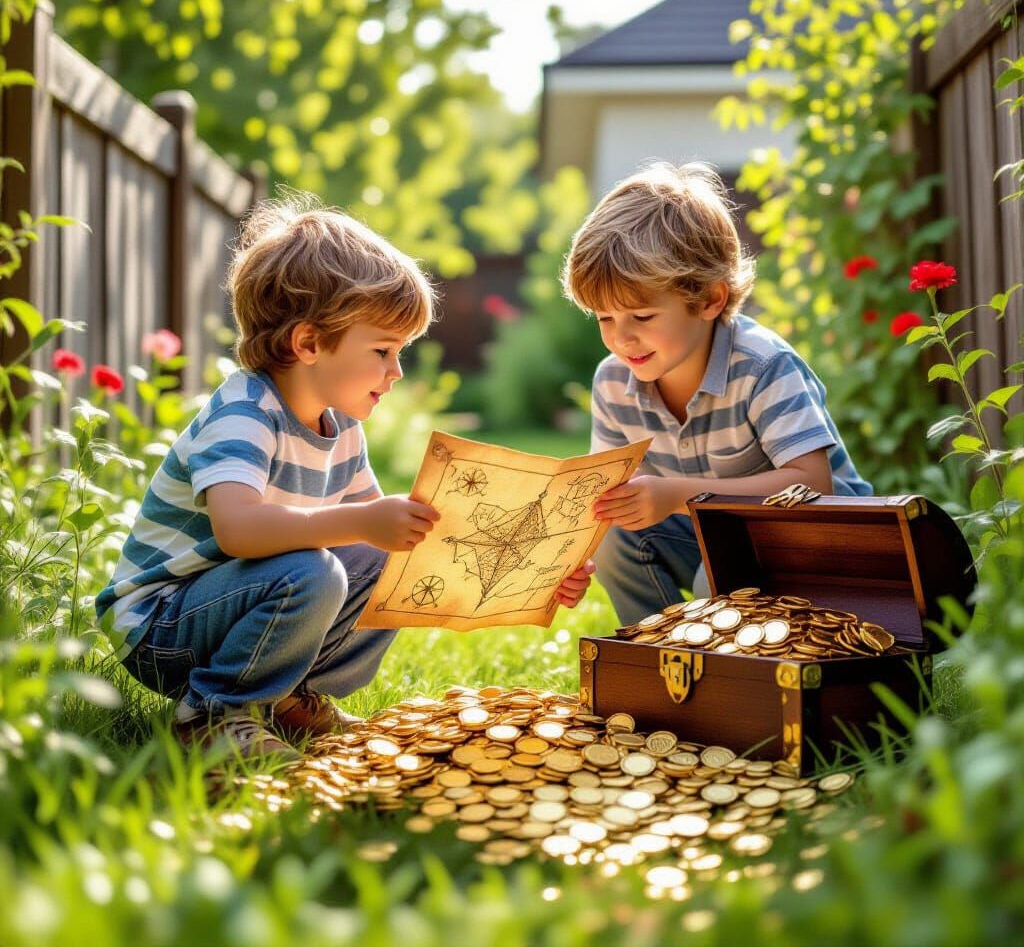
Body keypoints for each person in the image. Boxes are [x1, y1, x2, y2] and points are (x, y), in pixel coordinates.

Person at [97, 196, 594, 760]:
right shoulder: (244, 413)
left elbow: (394, 548)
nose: (397, 370)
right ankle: (211, 719)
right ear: (308, 343)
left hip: (234, 609)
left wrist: (538, 570)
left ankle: (285, 698)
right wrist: (360, 520)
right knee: (314, 570)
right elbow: (238, 530)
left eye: (401, 351)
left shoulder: (342, 426)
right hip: (162, 626)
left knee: (387, 560)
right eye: (383, 349)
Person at [561, 162, 872, 627]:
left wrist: (681, 494)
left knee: (722, 572)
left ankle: (721, 665)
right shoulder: (614, 381)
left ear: (710, 300)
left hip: (825, 549)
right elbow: (606, 498)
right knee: (616, 540)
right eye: (604, 318)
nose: (621, 338)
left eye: (642, 317)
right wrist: (566, 562)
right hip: (717, 541)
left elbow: (814, 485)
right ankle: (657, 656)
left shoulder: (763, 366)